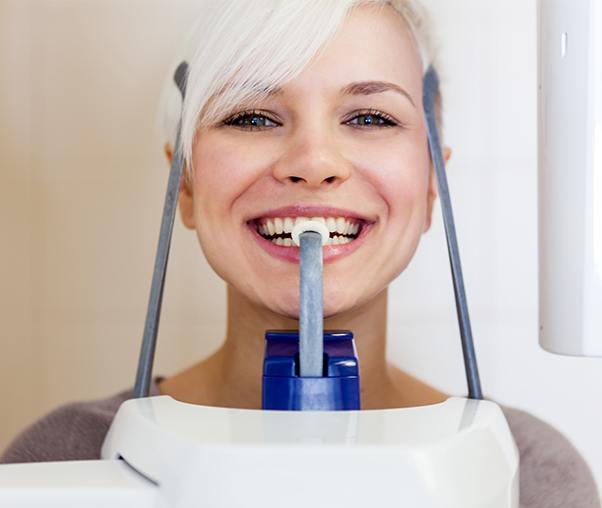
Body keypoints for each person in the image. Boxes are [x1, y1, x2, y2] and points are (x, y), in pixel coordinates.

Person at [1, 1, 599, 506]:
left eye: (369, 116)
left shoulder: (534, 475)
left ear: (430, 184)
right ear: (183, 184)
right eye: (253, 116)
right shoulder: (60, 459)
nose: (313, 163)